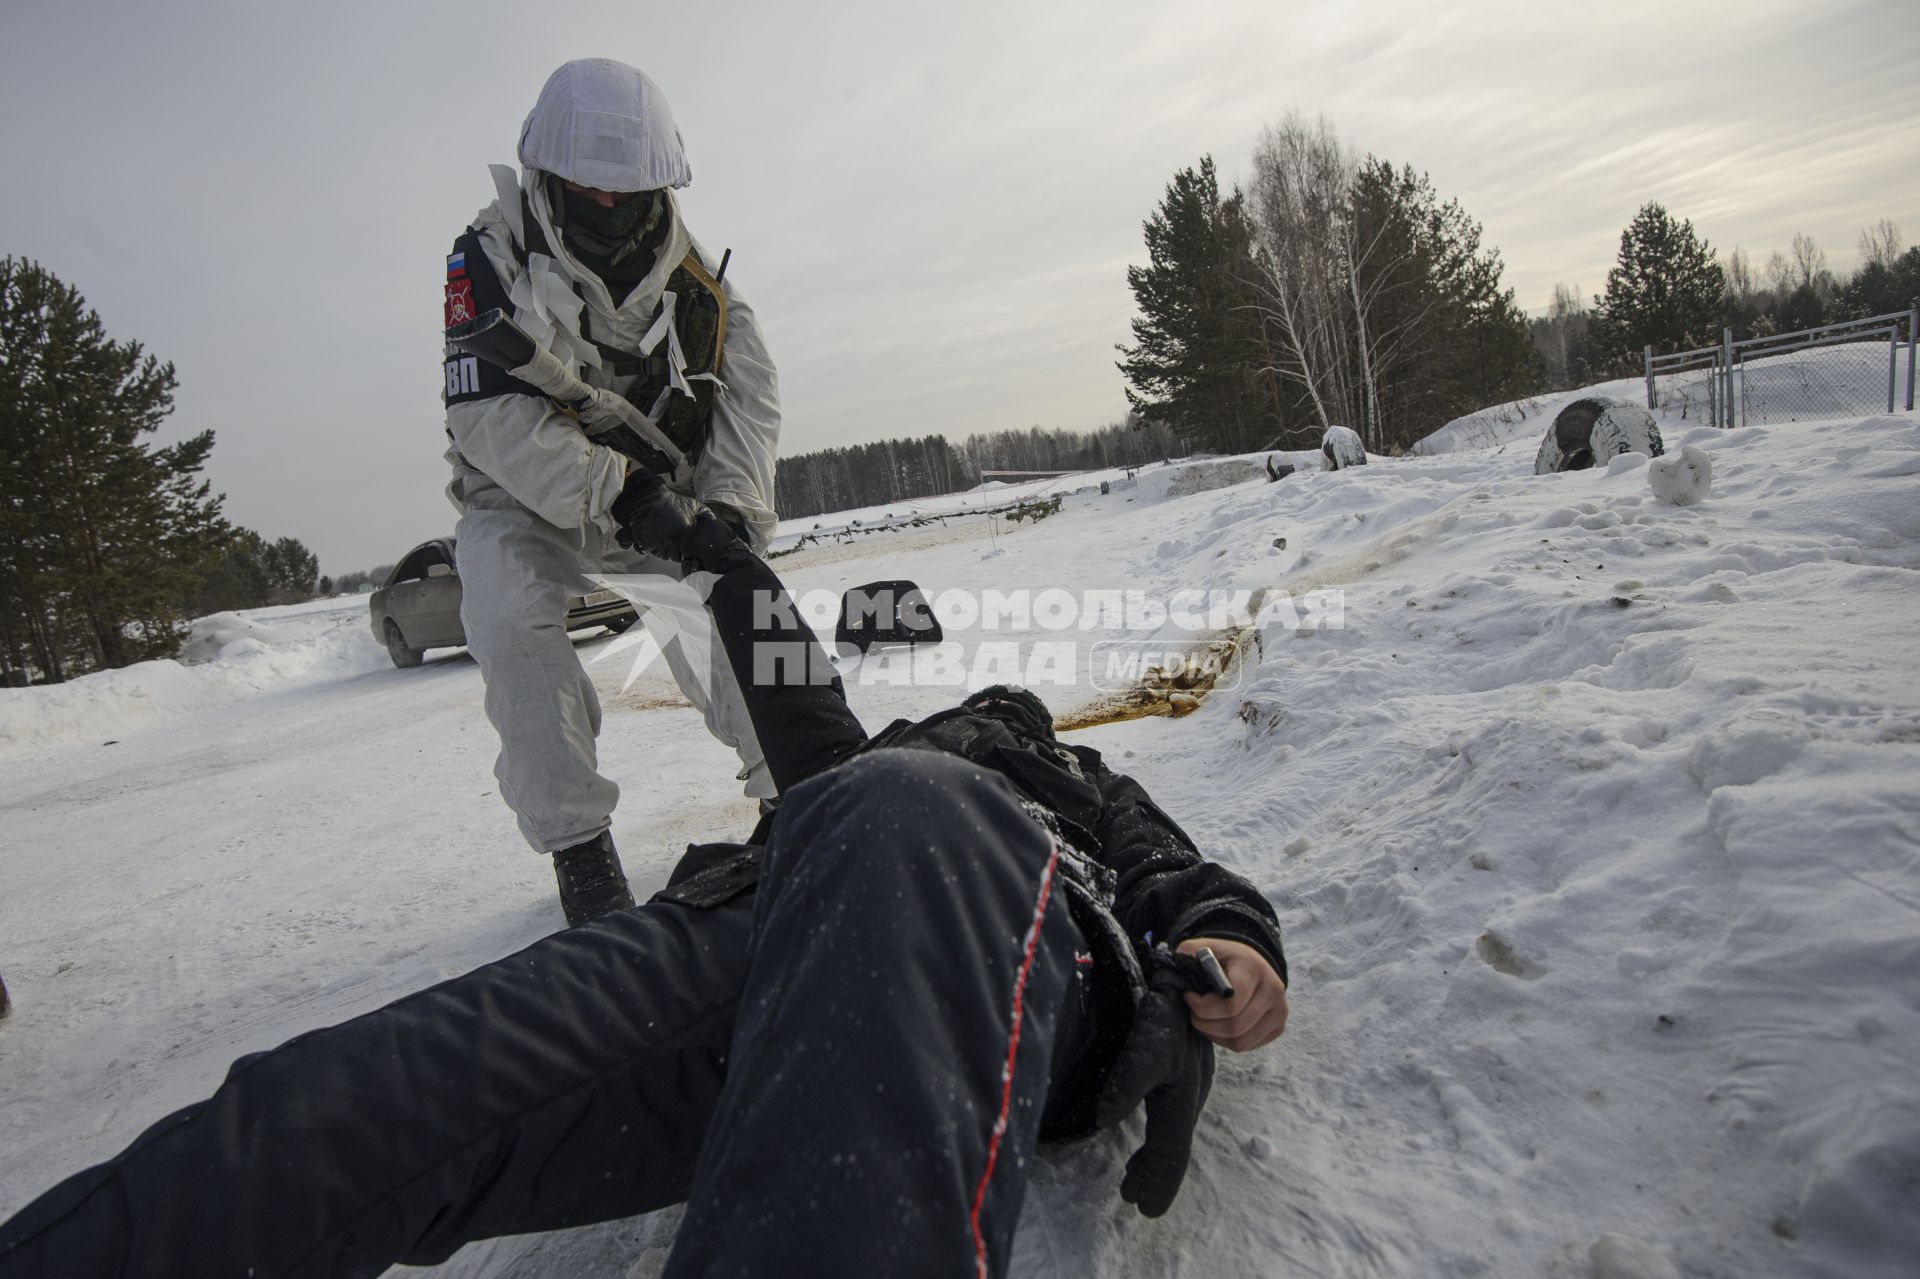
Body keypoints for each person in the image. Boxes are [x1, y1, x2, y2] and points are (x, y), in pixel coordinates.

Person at [0, 486, 1291, 1278]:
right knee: (334, 1100)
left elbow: (1184, 876)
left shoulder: (1056, 785)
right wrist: (712, 552)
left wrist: (1233, 944)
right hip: (755, 927)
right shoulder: (873, 767)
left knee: (903, 802)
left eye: (1002, 708)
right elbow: (792, 689)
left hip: (983, 938)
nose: (986, 707)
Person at [442, 58, 784, 925]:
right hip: (523, 501)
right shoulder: (487, 261)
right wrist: (618, 490)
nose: (606, 207)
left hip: (657, 500)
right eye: (586, 192)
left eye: (622, 194)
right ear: (547, 179)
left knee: (740, 614)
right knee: (508, 618)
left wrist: (734, 513)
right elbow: (491, 419)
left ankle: (802, 792)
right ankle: (580, 854)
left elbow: (748, 397)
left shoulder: (700, 287)